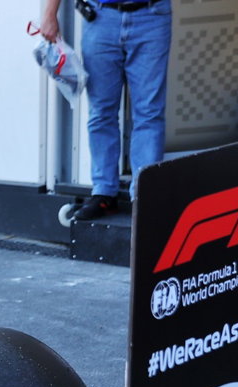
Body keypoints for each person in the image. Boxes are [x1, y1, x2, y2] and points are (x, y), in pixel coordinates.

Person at [39, 0, 172, 221]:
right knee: (101, 112)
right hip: (101, 17)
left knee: (149, 112)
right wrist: (50, 13)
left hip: (152, 15)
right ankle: (103, 192)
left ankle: (143, 196)